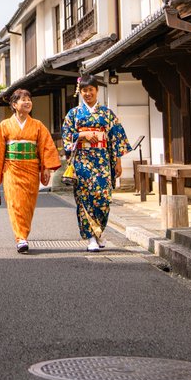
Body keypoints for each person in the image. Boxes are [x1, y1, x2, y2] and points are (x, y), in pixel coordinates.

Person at [0, 89, 63, 253]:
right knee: (15, 203)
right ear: (14, 105)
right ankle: (21, 238)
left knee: (28, 204)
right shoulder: (5, 125)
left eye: (29, 99)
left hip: (31, 168)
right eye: (23, 100)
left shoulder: (38, 126)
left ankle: (24, 234)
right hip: (11, 168)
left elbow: (47, 146)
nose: (27, 102)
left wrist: (47, 168)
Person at [62, 75, 131, 252]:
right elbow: (67, 137)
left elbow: (116, 139)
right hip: (82, 161)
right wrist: (82, 135)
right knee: (85, 198)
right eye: (84, 90)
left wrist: (118, 162)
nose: (87, 94)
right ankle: (91, 237)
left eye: (90, 90)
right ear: (81, 92)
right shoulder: (74, 114)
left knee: (104, 198)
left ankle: (99, 232)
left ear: (97, 90)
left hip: (102, 161)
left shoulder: (107, 114)